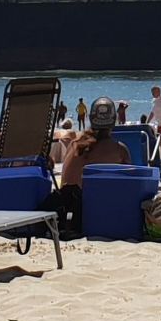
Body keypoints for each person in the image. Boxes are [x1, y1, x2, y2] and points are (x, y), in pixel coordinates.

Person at [46, 100, 133, 236]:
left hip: (67, 205)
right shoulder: (119, 149)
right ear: (113, 120)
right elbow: (130, 184)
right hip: (93, 209)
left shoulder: (74, 144)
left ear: (91, 119)